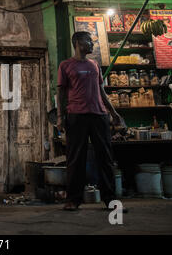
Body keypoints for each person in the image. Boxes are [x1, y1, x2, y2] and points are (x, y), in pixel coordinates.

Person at [56, 31, 127, 212]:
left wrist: (114, 112)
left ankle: (110, 200)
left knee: (105, 159)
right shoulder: (65, 66)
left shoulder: (95, 65)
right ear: (78, 42)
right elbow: (62, 94)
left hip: (99, 116)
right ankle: (73, 200)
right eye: (89, 41)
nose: (92, 44)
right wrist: (59, 117)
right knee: (75, 159)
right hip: (76, 116)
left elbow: (101, 91)